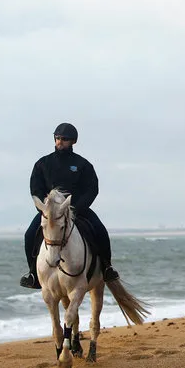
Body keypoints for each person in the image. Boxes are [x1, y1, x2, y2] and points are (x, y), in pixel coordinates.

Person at [19, 123, 119, 289]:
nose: (59, 142)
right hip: (51, 213)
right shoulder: (42, 163)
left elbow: (92, 189)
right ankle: (33, 274)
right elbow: (35, 189)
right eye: (57, 138)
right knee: (30, 234)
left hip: (78, 209)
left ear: (73, 141)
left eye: (64, 139)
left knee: (100, 230)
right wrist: (44, 210)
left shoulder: (83, 164)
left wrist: (77, 208)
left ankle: (107, 268)